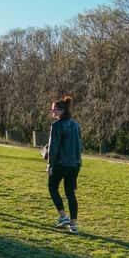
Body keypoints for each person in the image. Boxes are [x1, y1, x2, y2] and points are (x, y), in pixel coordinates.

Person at [44, 96, 83, 233]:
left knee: (52, 187)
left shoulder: (56, 126)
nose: (52, 112)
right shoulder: (76, 125)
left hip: (60, 163)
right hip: (75, 164)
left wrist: (49, 164)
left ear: (61, 111)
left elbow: (53, 147)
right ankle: (73, 225)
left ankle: (63, 216)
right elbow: (80, 146)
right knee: (70, 193)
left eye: (54, 109)